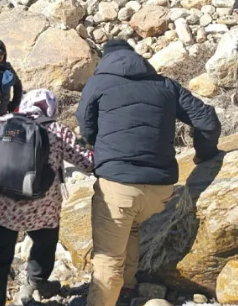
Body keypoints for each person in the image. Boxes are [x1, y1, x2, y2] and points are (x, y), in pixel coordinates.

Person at [77, 40, 221, 306]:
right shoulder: (165, 84)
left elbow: (86, 130)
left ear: (104, 60)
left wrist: (104, 147)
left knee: (108, 260)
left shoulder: (97, 84)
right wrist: (204, 154)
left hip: (117, 185)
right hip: (161, 189)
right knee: (132, 229)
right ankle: (129, 287)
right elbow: (207, 120)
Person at [0, 89, 94, 306]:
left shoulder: (3, 121)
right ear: (51, 109)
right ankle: (37, 282)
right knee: (45, 244)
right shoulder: (57, 131)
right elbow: (87, 162)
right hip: (41, 208)